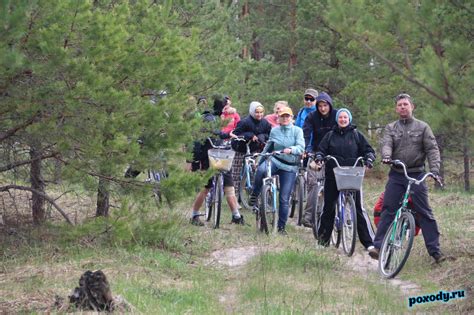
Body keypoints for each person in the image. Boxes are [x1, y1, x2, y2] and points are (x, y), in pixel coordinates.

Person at [368, 93, 445, 263]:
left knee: (424, 212)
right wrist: (387, 157)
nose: (403, 107)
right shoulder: (391, 128)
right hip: (397, 174)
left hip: (417, 174)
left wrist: (434, 170)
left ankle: (435, 252)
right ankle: (378, 246)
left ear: (412, 107)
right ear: (396, 109)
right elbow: (386, 144)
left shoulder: (423, 127)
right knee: (388, 209)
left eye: (406, 104)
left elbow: (432, 149)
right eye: (400, 105)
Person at [315, 108, 376, 248]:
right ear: (337, 119)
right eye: (340, 117)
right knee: (329, 208)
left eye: (345, 117)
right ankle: (322, 241)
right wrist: (319, 157)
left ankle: (368, 243)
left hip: (353, 175)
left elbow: (368, 150)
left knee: (358, 209)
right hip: (333, 175)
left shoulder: (356, 135)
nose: (343, 120)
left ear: (349, 119)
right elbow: (321, 150)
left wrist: (369, 158)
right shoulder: (330, 135)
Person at [249, 107, 305, 235]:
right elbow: (268, 147)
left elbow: (301, 147)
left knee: (284, 198)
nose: (285, 118)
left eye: (287, 116)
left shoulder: (297, 131)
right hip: (275, 160)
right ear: (278, 118)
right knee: (262, 170)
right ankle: (255, 194)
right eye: (282, 116)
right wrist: (259, 160)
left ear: (292, 118)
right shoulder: (274, 131)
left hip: (290, 166)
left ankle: (281, 227)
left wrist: (292, 149)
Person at [189, 107, 244, 226]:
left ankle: (236, 215)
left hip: (217, 155)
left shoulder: (212, 120)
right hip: (211, 157)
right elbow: (215, 132)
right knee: (210, 187)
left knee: (226, 186)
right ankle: (194, 214)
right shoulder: (209, 120)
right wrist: (226, 135)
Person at [301, 92, 338, 227]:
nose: (323, 108)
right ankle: (308, 217)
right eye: (320, 106)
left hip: (334, 153)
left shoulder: (337, 115)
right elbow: (306, 134)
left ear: (330, 105)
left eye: (325, 105)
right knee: (314, 185)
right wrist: (306, 150)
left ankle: (341, 216)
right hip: (316, 152)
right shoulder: (312, 117)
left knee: (338, 186)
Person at [230, 101, 272, 195]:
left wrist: (262, 136)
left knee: (255, 171)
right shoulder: (244, 122)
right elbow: (235, 134)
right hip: (240, 148)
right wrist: (249, 135)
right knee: (236, 173)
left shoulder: (265, 123)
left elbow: (270, 134)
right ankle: (234, 196)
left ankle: (254, 194)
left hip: (255, 149)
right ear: (252, 112)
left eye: (261, 112)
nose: (259, 114)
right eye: (257, 112)